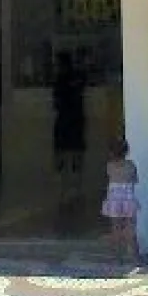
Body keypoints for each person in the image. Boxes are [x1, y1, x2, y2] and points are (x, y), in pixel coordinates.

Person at [53, 53, 86, 199]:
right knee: (76, 151)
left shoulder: (60, 80)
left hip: (65, 118)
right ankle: (76, 185)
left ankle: (63, 185)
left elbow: (56, 102)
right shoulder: (78, 78)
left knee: (61, 150)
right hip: (77, 118)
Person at [101, 137, 139, 261]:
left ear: (111, 152)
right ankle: (135, 256)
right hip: (128, 198)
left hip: (114, 199)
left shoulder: (110, 166)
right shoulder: (131, 165)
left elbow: (109, 177)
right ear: (126, 151)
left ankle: (117, 256)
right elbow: (135, 180)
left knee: (115, 227)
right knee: (130, 227)